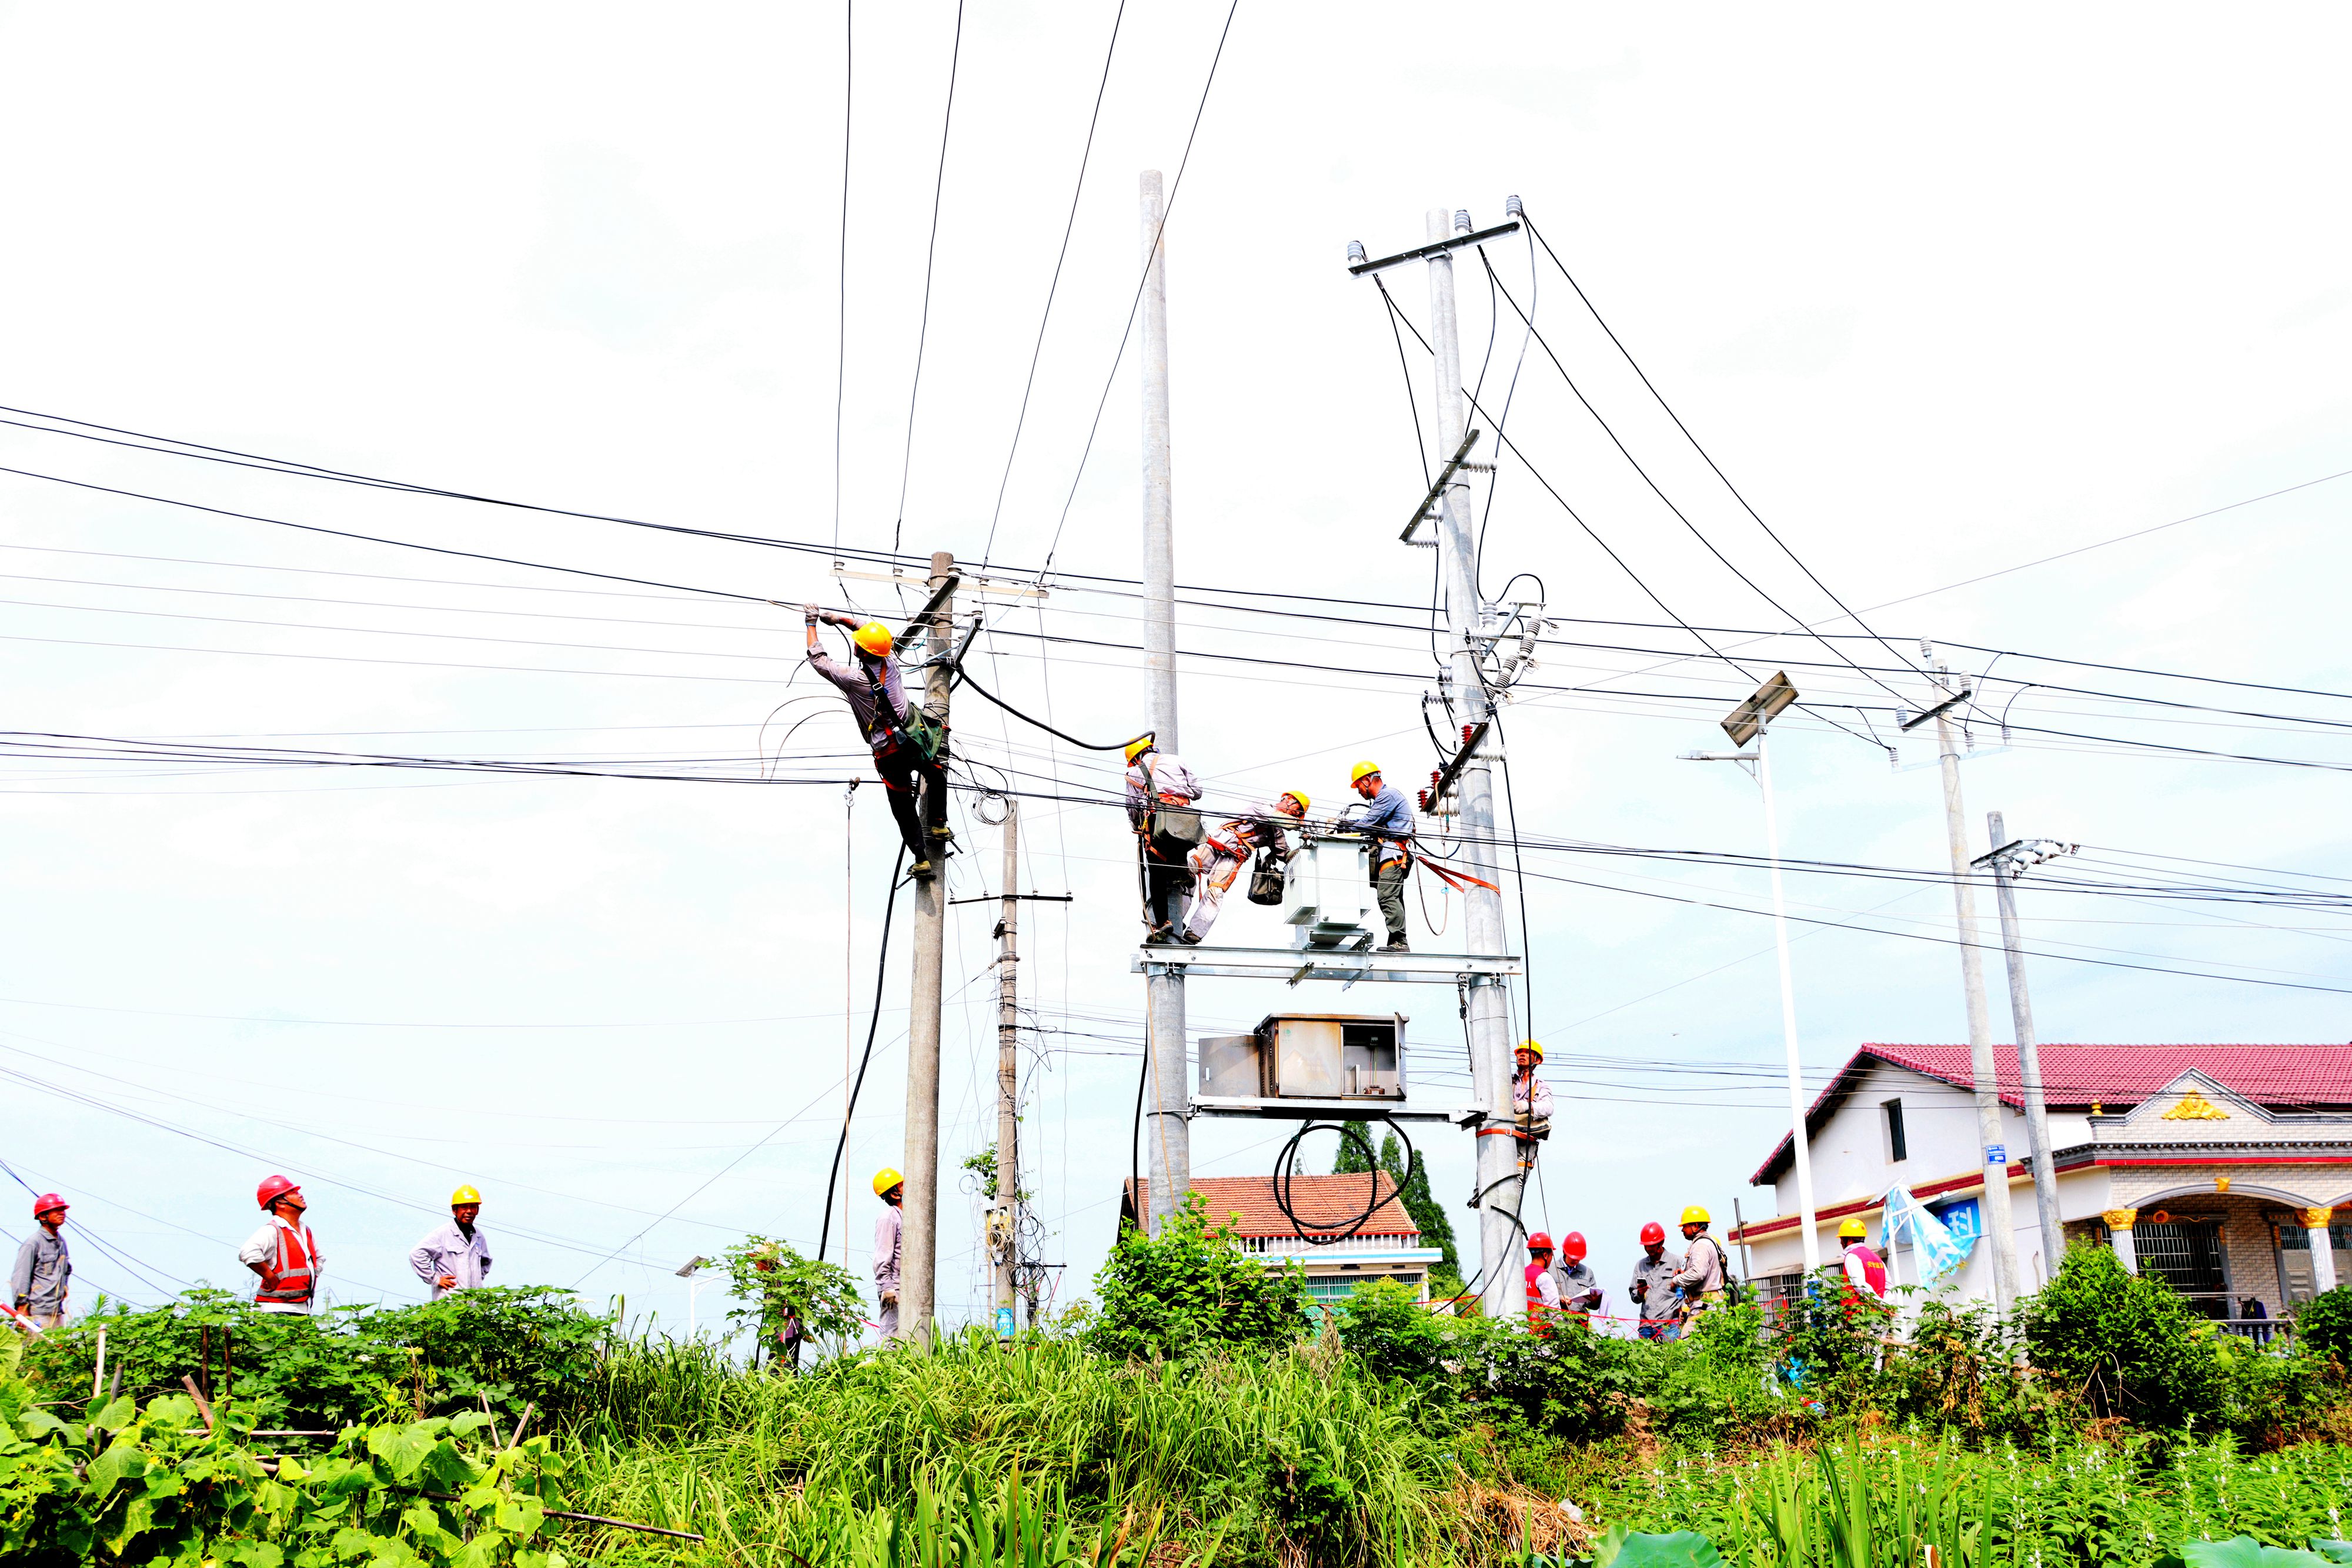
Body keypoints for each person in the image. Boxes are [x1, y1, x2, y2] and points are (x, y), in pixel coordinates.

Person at [805, 606, 950, 879]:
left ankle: (922, 860)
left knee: (903, 808)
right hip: (913, 740)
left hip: (889, 754)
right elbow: (869, 630)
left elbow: (820, 661)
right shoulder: (892, 660)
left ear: (860, 652)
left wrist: (812, 623)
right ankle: (939, 824)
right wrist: (837, 618)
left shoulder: (854, 679)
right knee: (935, 770)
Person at [1180, 791, 1308, 944]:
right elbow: (1278, 818)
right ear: (1288, 799)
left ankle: (1195, 932)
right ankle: (1175, 916)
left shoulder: (1277, 832)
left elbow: (1285, 854)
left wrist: (1307, 845)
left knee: (1217, 891)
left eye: (1298, 814)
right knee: (1187, 874)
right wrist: (1303, 825)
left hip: (1234, 856)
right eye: (1296, 811)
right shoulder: (1263, 805)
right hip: (1216, 842)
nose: (1294, 814)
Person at [1125, 736, 1204, 944]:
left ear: (1135, 759)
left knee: (1157, 873)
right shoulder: (1177, 760)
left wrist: (1137, 827)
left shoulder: (1134, 772)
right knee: (1179, 841)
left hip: (1157, 821)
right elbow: (1197, 792)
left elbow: (1133, 807)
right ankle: (1182, 871)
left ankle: (1163, 922)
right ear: (1154, 748)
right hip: (1186, 820)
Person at [1337, 761, 1415, 951]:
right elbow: (1370, 821)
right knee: (1393, 897)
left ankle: (1399, 942)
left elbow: (1369, 822)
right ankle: (1397, 942)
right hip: (1392, 855)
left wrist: (1347, 826)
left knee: (1387, 896)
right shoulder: (1385, 800)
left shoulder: (1387, 796)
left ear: (1367, 780)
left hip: (1394, 855)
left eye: (1358, 787)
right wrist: (1349, 825)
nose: (1359, 793)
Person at [240, 1175, 324, 1314]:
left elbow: (319, 1259)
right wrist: (271, 1278)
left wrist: (311, 1275)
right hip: (275, 1310)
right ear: (279, 1203)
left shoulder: (306, 1231)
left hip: (302, 1308)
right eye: (293, 1193)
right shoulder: (272, 1230)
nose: (300, 1195)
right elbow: (248, 1252)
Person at [409, 1185, 493, 1300]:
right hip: (449, 1302)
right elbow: (416, 1254)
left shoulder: (478, 1236)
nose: (469, 1211)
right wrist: (435, 1279)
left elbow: (486, 1261)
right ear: (455, 1210)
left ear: (477, 1210)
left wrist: (476, 1278)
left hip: (474, 1303)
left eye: (473, 1207)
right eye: (464, 1207)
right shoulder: (443, 1234)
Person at [9, 1194, 71, 1330]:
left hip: (57, 1312)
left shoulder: (61, 1243)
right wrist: (22, 1309)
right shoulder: (33, 1243)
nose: (62, 1213)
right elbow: (21, 1276)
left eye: (63, 1210)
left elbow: (66, 1271)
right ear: (43, 1217)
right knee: (39, 1349)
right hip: (38, 1313)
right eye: (57, 1210)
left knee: (59, 1350)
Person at [1665, 1204, 1728, 1325]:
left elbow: (1698, 1274)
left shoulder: (1701, 1246)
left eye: (1685, 1226)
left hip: (1706, 1306)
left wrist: (1677, 1280)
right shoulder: (1709, 1242)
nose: (1682, 1230)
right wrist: (1685, 1274)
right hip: (1711, 1303)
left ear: (1695, 1226)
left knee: (1689, 1341)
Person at [1628, 1221, 1683, 1340]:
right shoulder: (1640, 1266)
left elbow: (1688, 1291)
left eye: (1652, 1246)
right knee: (1645, 1359)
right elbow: (1634, 1296)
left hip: (1669, 1326)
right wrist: (1640, 1293)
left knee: (1670, 1358)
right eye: (1646, 1246)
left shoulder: (1677, 1262)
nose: (1648, 1249)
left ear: (1661, 1243)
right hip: (1646, 1327)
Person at [873, 1167, 905, 1342]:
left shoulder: (906, 1217)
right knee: (892, 1340)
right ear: (894, 1194)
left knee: (908, 1338)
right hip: (893, 1288)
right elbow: (882, 1255)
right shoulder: (889, 1217)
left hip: (905, 1287)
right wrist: (887, 1288)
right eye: (902, 1185)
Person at [1553, 1232, 1604, 1326]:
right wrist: (1559, 1299)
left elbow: (1593, 1306)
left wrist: (1595, 1300)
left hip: (1580, 1326)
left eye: (1578, 1258)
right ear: (1564, 1251)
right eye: (1572, 1257)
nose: (1575, 1260)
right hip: (1557, 1325)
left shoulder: (1587, 1273)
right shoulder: (1551, 1269)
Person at [1837, 1216, 1887, 1305]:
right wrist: (1887, 1308)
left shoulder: (1852, 1256)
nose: (1841, 1243)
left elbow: (1860, 1286)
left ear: (1849, 1240)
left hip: (1859, 1315)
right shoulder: (1877, 1258)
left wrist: (1883, 1307)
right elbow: (1889, 1287)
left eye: (1841, 1239)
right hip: (1880, 1316)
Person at [1523, 1231, 1562, 1338]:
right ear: (1546, 1255)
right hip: (1542, 1337)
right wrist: (1563, 1334)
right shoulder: (1544, 1277)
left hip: (1523, 1332)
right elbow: (1553, 1310)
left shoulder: (1521, 1274)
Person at [1512, 1039, 1553, 1135]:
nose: (1522, 1055)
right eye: (1520, 1052)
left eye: (1527, 1052)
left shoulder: (1541, 1086)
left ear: (1537, 1060)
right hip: (1504, 1132)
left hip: (1526, 1140)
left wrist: (1527, 1106)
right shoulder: (1507, 1081)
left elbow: (1548, 1107)